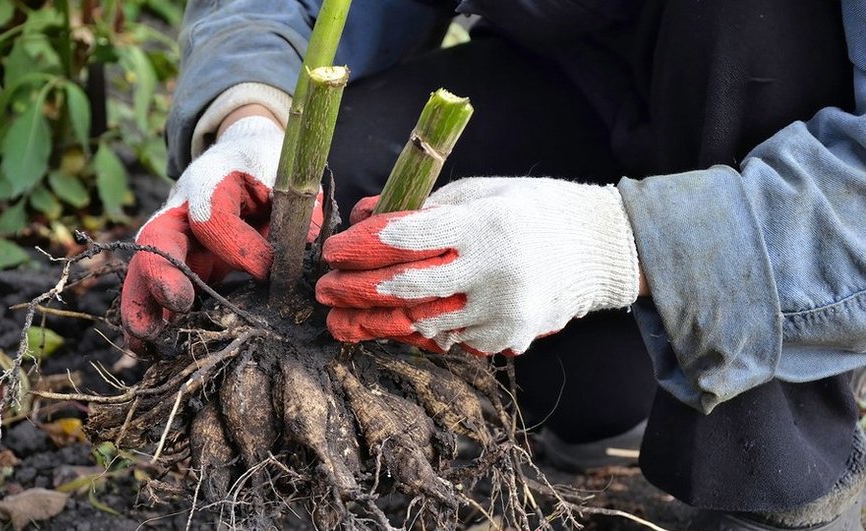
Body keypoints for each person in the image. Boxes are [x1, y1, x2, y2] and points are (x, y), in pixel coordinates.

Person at [119, 1, 866, 529]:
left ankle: (784, 474)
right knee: (328, 212)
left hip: (772, 124)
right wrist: (249, 119)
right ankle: (619, 375)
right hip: (585, 89)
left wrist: (615, 246)